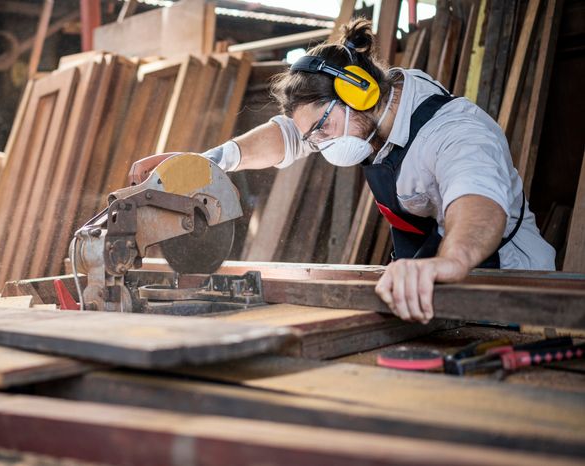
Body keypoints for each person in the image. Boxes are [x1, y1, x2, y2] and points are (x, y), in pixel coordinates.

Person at [131, 19, 556, 324]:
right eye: (313, 138)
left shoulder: (456, 132)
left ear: (359, 90)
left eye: (322, 130)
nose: (317, 145)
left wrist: (451, 261)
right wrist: (209, 162)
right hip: (437, 290)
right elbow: (287, 136)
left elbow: (479, 204)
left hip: (513, 291)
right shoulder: (364, 118)